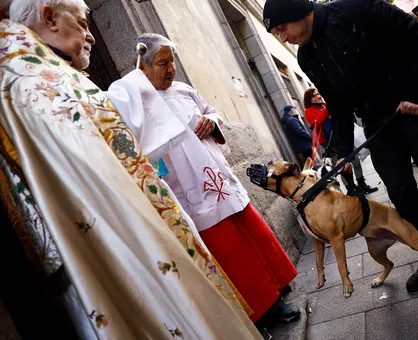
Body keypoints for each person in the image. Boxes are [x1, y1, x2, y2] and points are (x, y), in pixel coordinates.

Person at [0, 1, 261, 338]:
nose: (91, 36)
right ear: (49, 17)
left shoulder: (51, 70)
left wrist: (210, 121)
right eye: (81, 24)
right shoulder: (31, 78)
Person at [263, 0, 418, 293]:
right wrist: (345, 150)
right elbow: (337, 103)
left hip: (413, 109)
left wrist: (415, 92)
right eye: (277, 34)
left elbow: (416, 35)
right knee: (401, 194)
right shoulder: (307, 56)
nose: (284, 37)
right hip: (378, 126)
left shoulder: (355, 8)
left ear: (300, 12)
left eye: (283, 28)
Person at [106, 33, 300, 336]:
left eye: (173, 62)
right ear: (142, 66)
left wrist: (213, 123)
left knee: (251, 235)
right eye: (163, 63)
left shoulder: (183, 90)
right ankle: (261, 308)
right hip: (189, 190)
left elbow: (212, 111)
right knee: (231, 253)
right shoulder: (135, 101)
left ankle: (277, 287)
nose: (171, 69)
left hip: (218, 176)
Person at [304, 88, 378, 195]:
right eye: (314, 96)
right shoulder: (309, 111)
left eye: (318, 94)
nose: (318, 96)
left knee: (355, 161)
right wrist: (327, 109)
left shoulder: (324, 105)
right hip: (330, 143)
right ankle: (351, 189)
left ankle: (362, 184)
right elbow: (316, 123)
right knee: (342, 166)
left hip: (340, 137)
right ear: (309, 99)